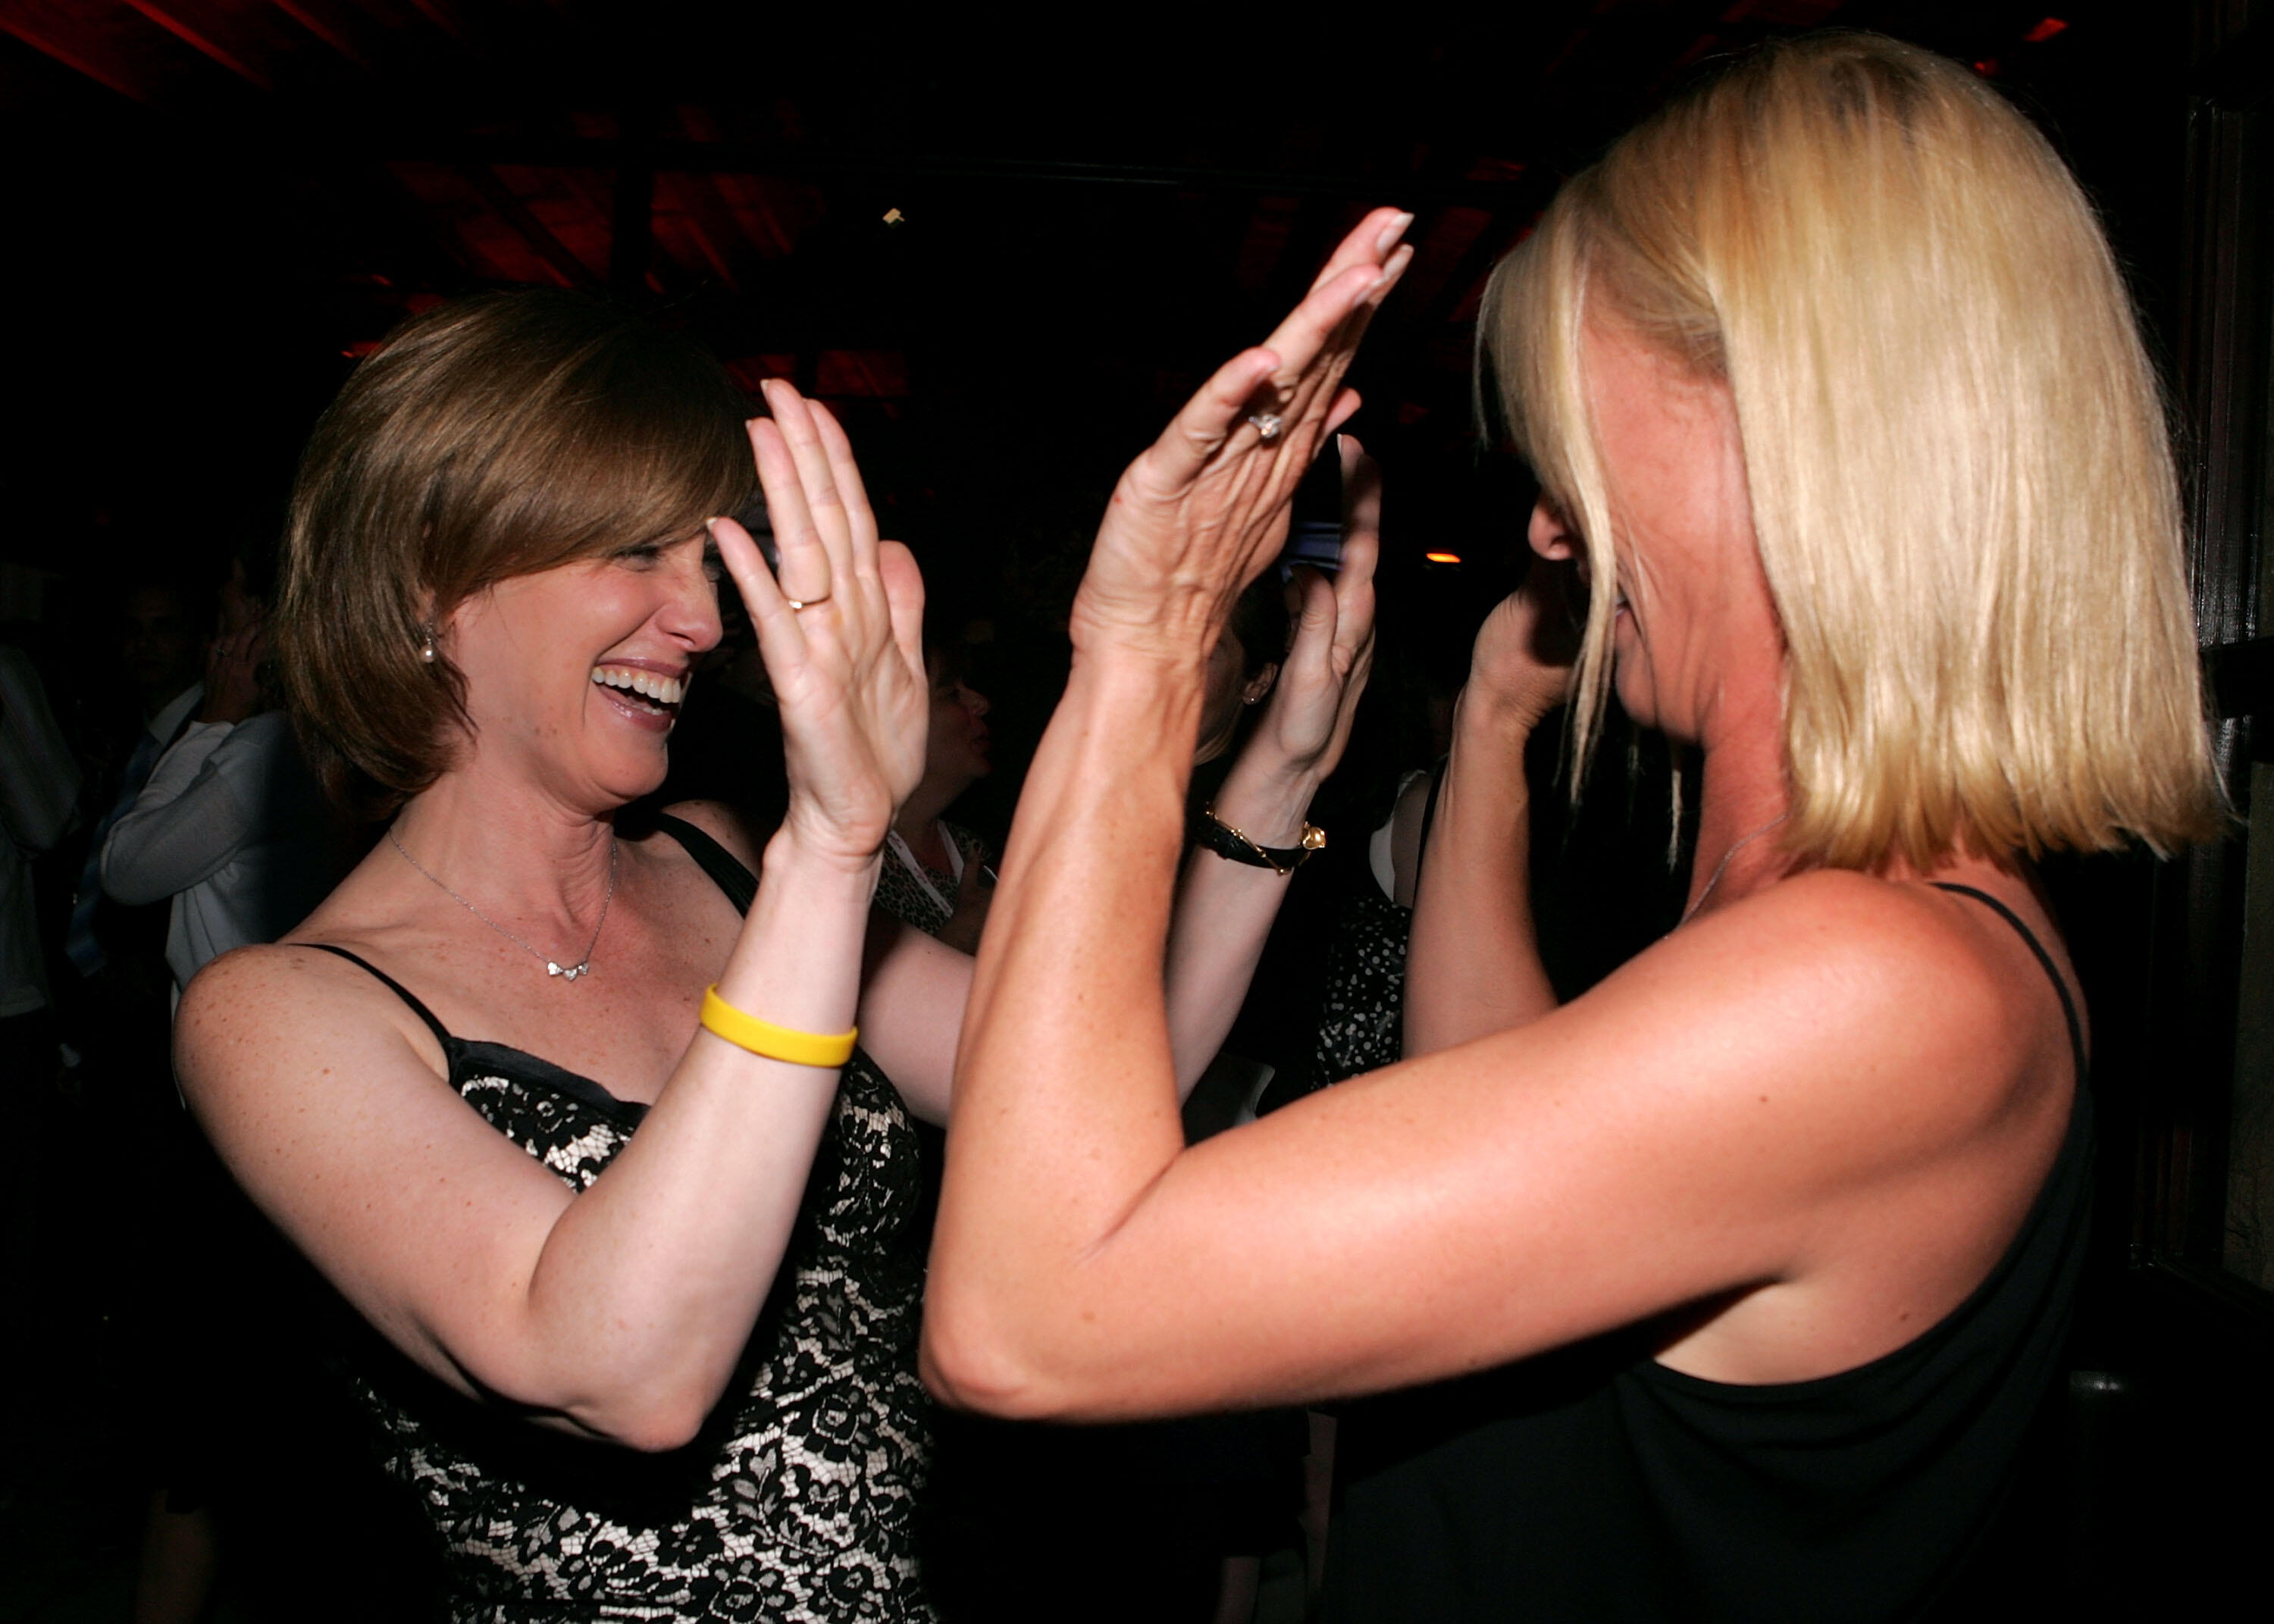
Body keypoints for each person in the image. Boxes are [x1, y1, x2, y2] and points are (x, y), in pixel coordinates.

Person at [921, 35, 2219, 1623]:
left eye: (1576, 439)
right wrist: (1489, 721)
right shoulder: (1833, 917)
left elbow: (1031, 1314)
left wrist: (1147, 644)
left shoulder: (1879, 977)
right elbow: (1485, 1098)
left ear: (1781, 416)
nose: (1549, 521)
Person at [174, 289, 1369, 1622]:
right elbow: (617, 1372)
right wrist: (833, 845)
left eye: (710, 559)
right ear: (426, 586)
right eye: (635, 551)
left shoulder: (720, 868)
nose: (700, 619)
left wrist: (1276, 784)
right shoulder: (278, 1015)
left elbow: (1089, 1084)